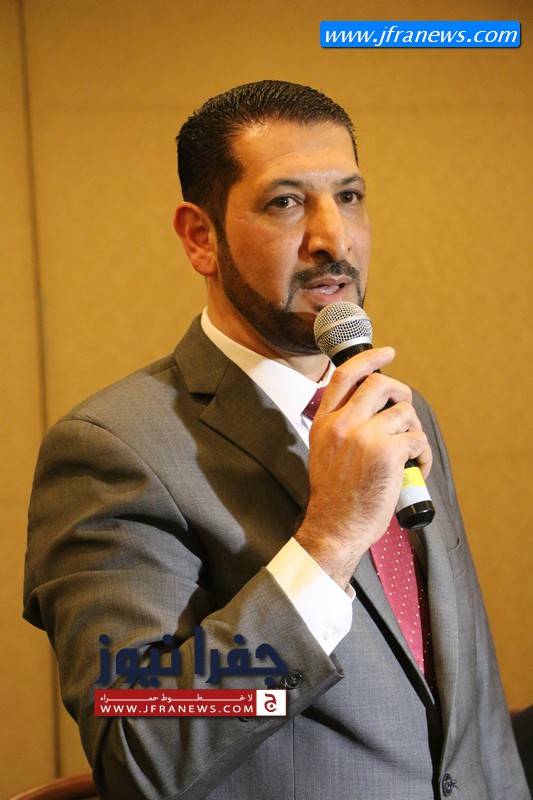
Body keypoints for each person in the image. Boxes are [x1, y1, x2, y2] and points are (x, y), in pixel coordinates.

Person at [23, 80, 528, 800]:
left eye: (349, 196)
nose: (334, 238)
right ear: (200, 237)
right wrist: (328, 539)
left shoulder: (398, 411)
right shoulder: (111, 449)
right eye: (286, 202)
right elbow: (143, 754)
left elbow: (466, 715)